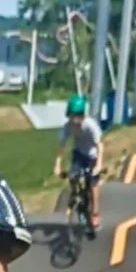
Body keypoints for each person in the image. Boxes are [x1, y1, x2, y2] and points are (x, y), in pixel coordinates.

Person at [55, 92, 103, 237]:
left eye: (79, 116)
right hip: (79, 154)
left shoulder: (90, 125)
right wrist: (57, 165)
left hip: (92, 155)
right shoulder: (67, 127)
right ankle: (76, 197)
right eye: (73, 116)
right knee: (73, 176)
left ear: (83, 115)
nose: (76, 120)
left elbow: (100, 146)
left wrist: (98, 165)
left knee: (93, 183)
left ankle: (95, 213)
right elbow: (62, 146)